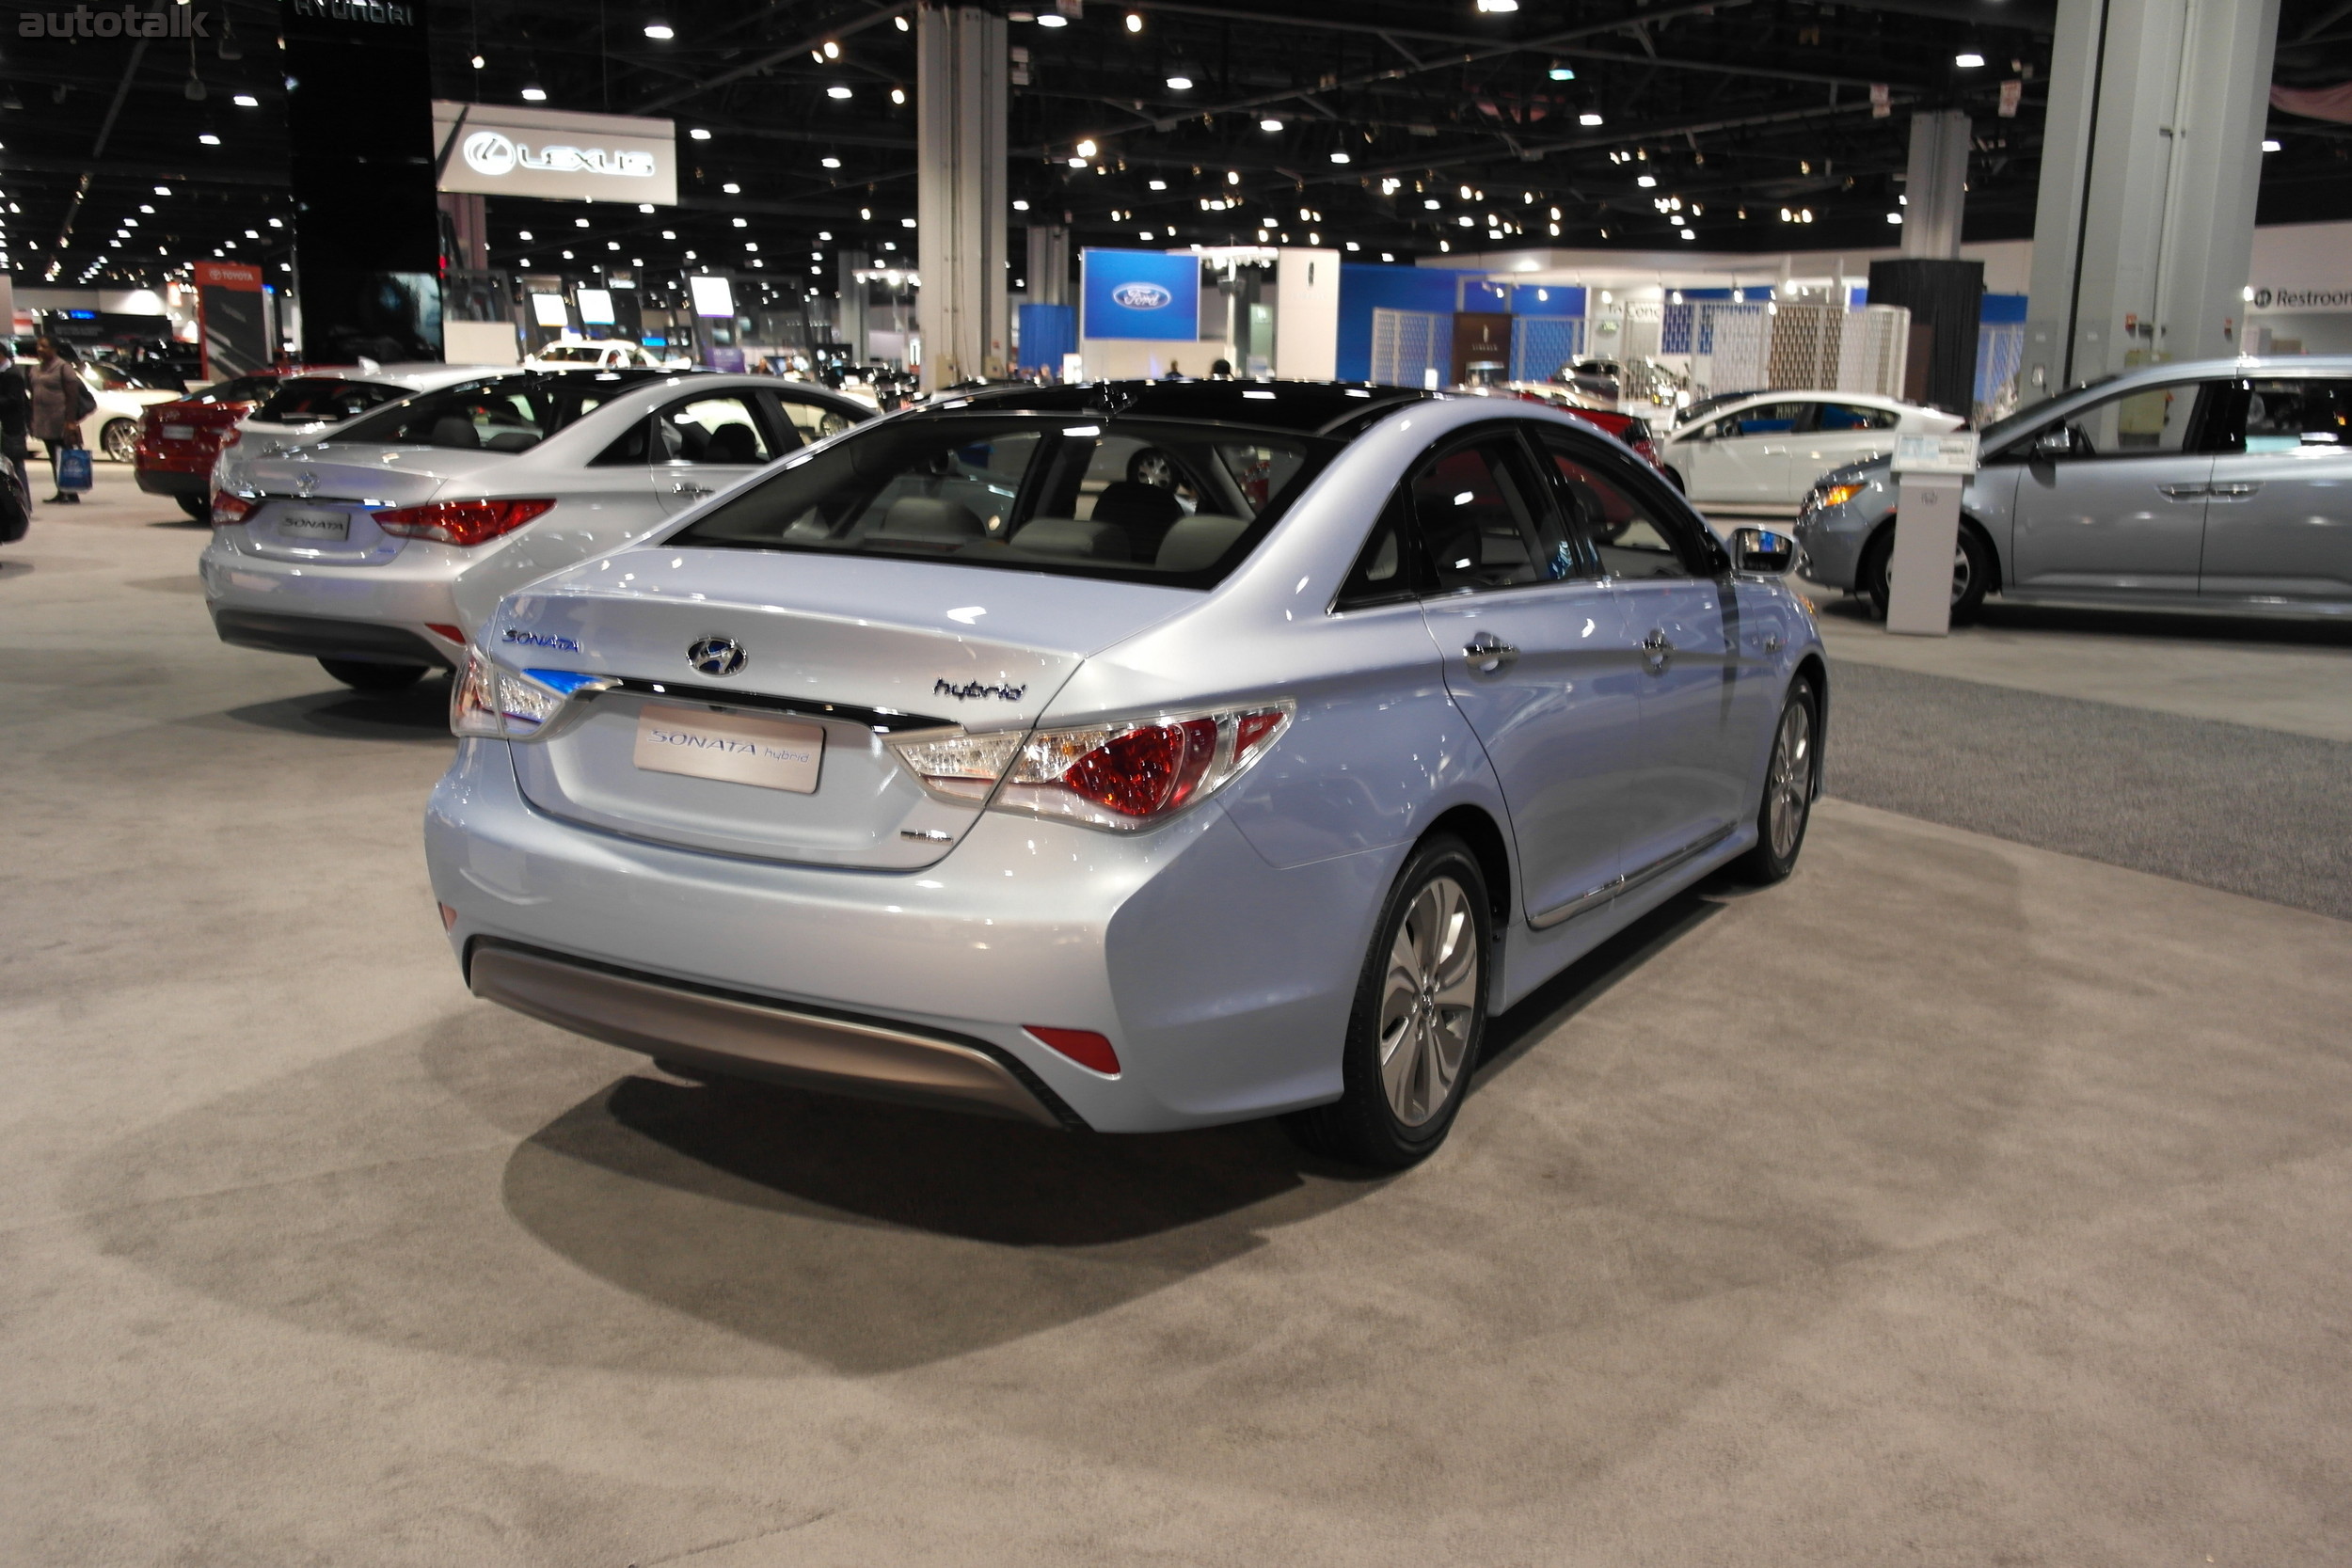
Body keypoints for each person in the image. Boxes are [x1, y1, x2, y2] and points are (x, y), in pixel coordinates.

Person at [27, 338, 94, 504]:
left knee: (64, 456)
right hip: (44, 419)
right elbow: (33, 393)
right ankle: (61, 489)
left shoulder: (63, 368)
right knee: (53, 456)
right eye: (38, 345)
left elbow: (72, 396)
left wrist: (70, 421)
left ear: (54, 349)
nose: (40, 349)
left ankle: (71, 492)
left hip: (61, 419)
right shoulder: (35, 369)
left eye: (44, 346)